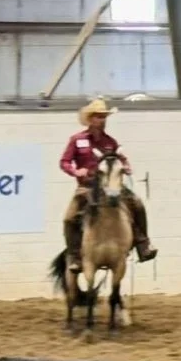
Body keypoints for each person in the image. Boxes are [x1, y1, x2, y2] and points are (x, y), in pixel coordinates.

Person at [60, 97, 157, 272]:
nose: (102, 120)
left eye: (104, 116)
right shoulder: (77, 140)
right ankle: (75, 256)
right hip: (87, 187)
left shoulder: (110, 142)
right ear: (90, 119)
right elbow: (64, 162)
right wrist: (76, 172)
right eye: (98, 116)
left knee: (137, 203)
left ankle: (143, 244)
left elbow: (121, 160)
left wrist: (126, 166)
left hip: (111, 186)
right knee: (69, 218)